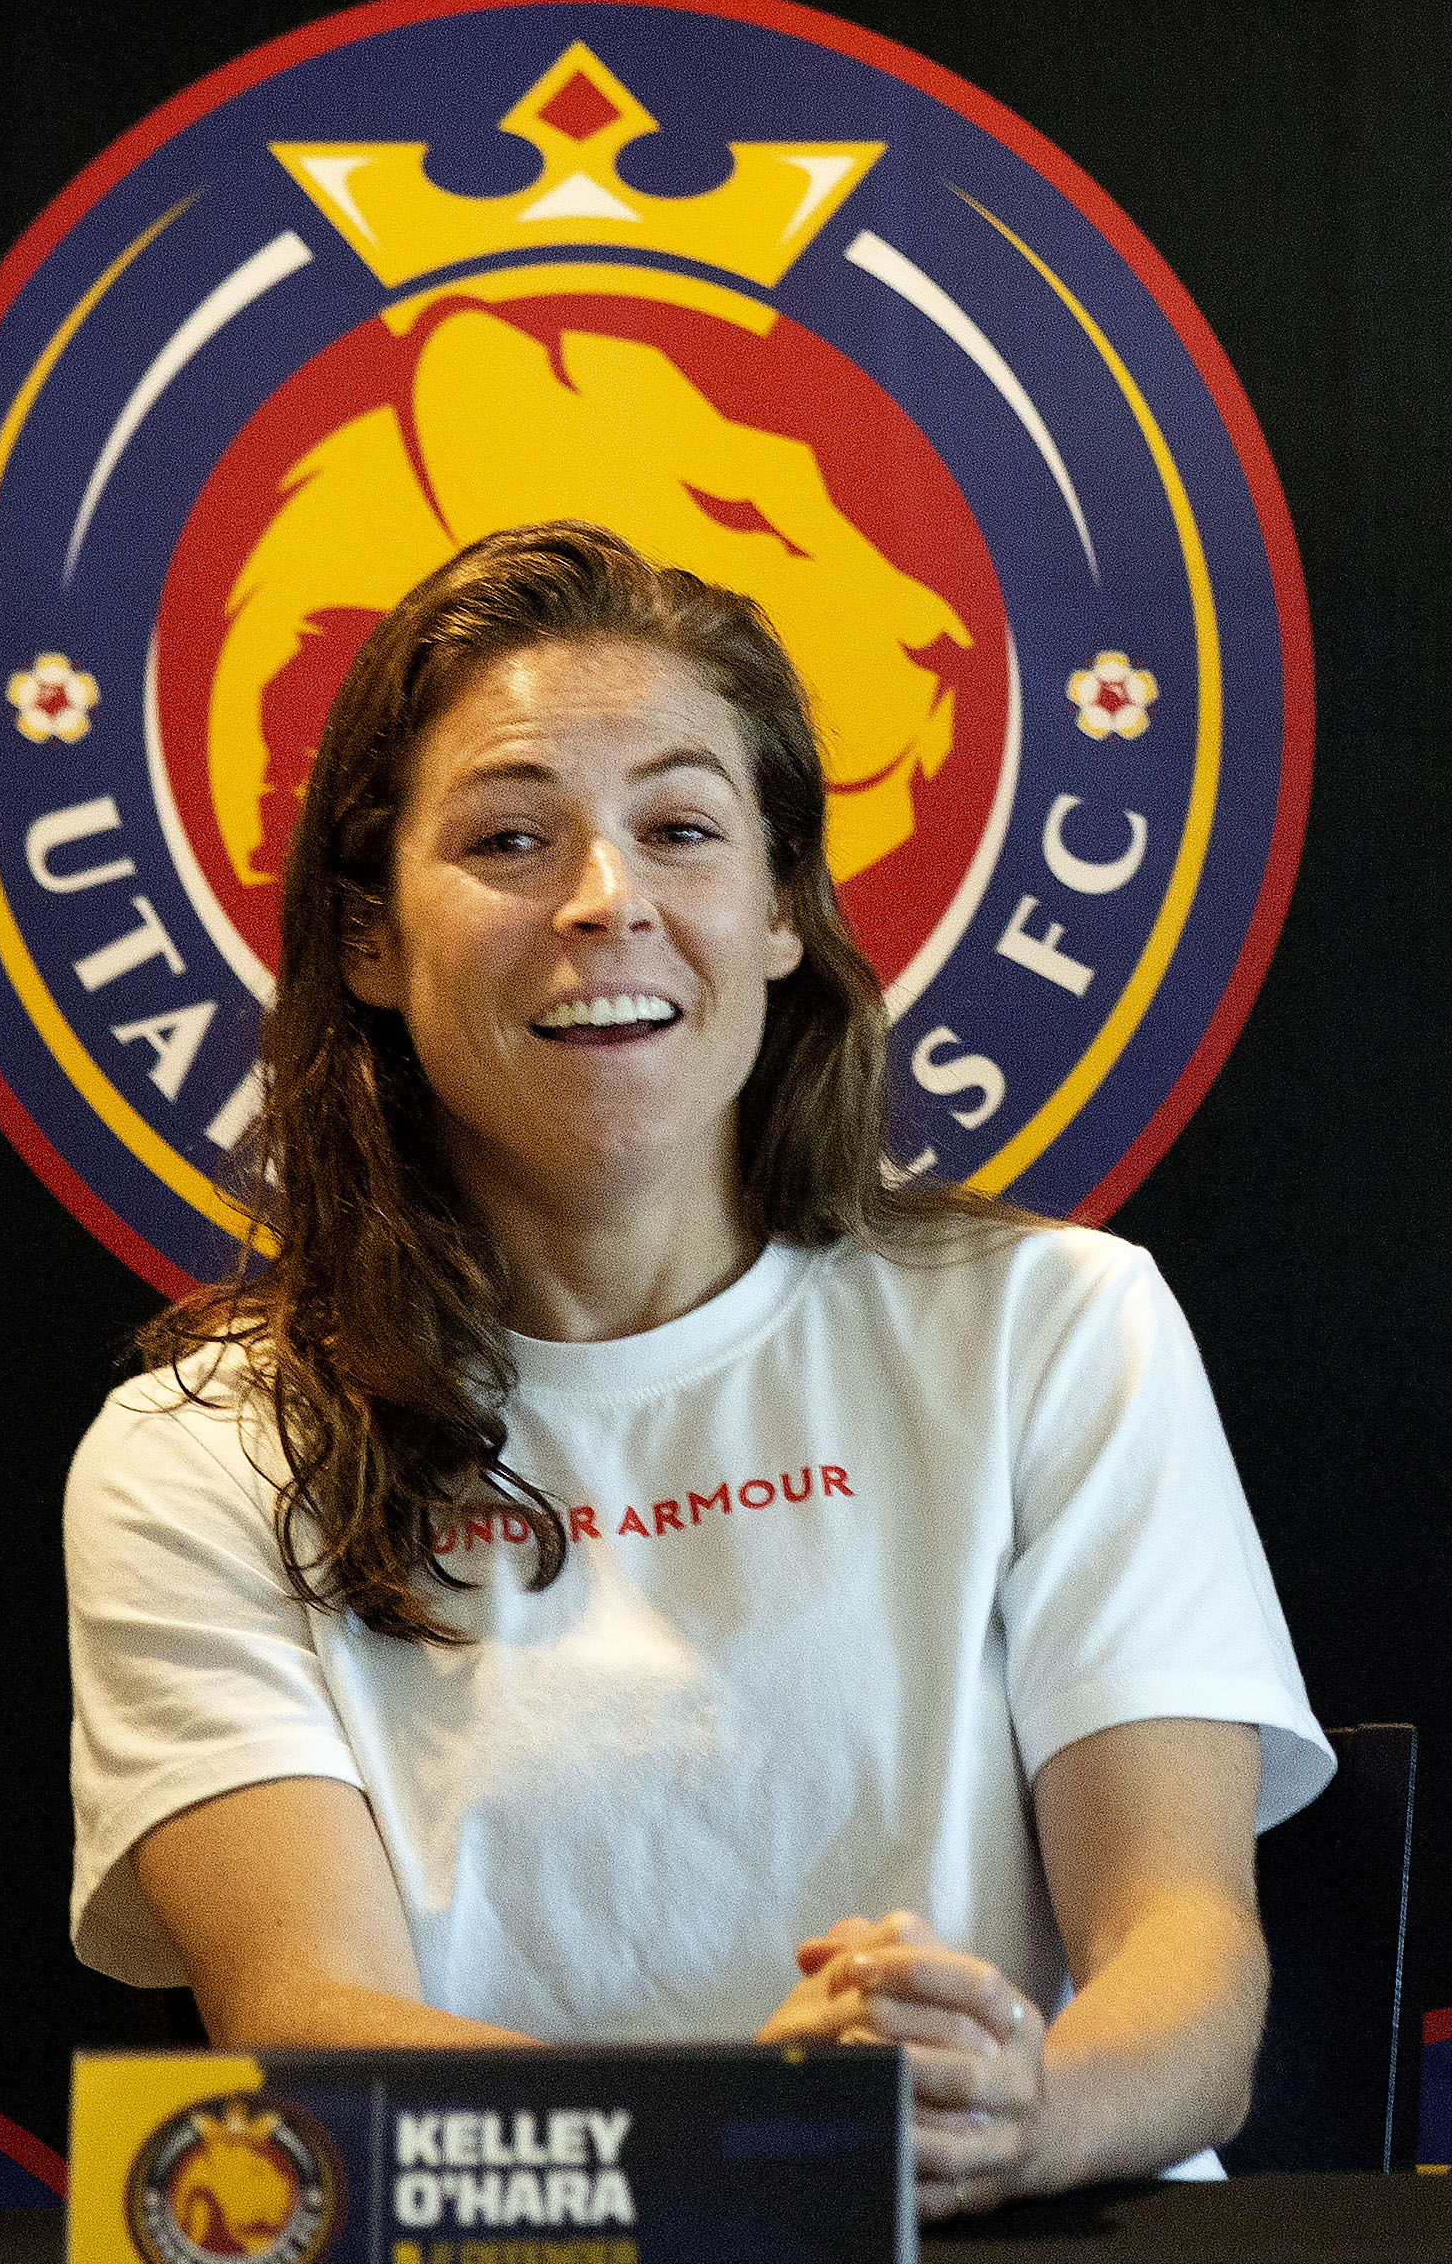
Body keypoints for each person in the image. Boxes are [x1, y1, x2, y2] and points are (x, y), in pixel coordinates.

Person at [66, 523, 1327, 2212]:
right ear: (368, 939)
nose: (608, 898)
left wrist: (1014, 2110)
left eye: (680, 828)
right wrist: (757, 2152)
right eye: (512, 837)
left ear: (784, 911)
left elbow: (1190, 1973)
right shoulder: (197, 1449)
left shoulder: (1060, 1326)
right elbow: (306, 2029)